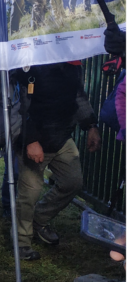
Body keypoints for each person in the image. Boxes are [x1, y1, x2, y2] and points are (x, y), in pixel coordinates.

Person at [13, 62, 101, 260]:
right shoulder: (30, 63)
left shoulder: (72, 63)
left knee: (73, 182)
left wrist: (91, 125)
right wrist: (31, 139)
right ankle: (22, 243)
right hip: (33, 138)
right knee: (30, 194)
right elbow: (19, 104)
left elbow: (78, 95)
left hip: (61, 137)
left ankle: (39, 219)